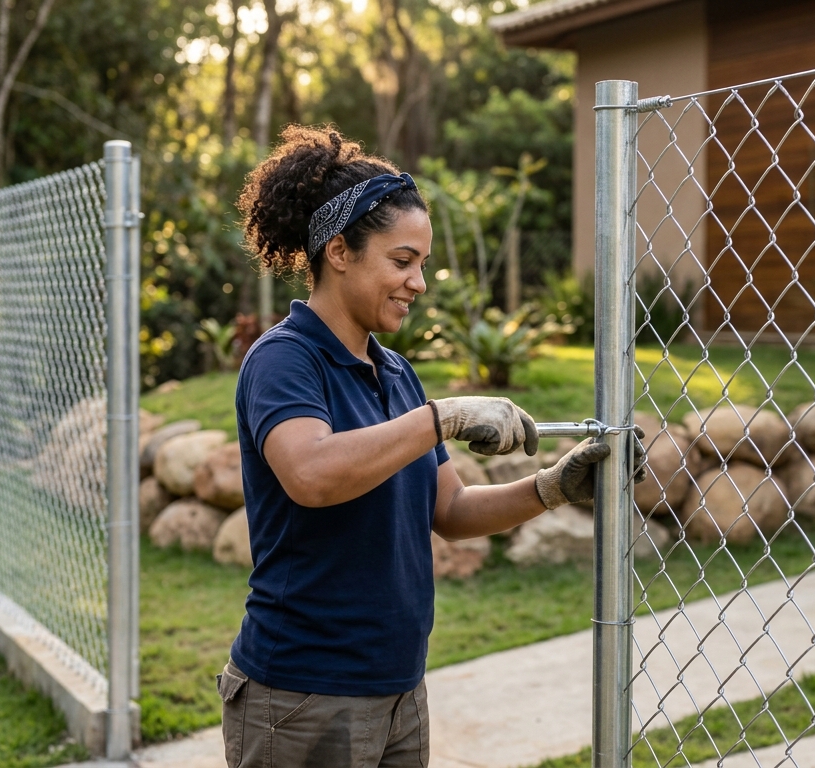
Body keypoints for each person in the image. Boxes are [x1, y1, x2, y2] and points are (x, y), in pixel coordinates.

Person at [217, 125, 643, 768]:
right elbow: (312, 475)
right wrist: (442, 417)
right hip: (303, 695)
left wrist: (552, 486)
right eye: (402, 260)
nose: (419, 282)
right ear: (339, 251)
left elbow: (449, 510)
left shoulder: (395, 373)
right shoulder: (284, 360)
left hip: (398, 690)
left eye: (422, 264)